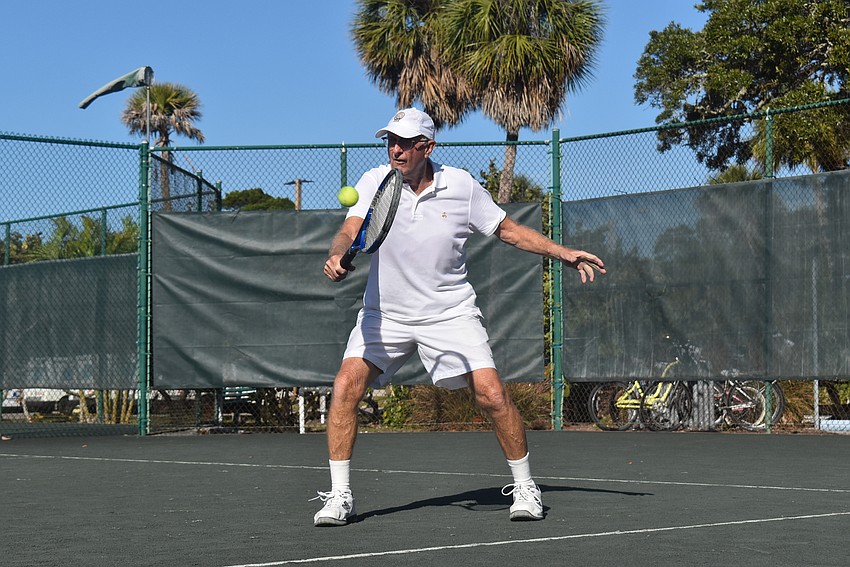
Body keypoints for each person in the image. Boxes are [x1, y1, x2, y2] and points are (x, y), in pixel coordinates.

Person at [315, 108, 605, 527]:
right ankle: (340, 497)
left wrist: (563, 253)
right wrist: (336, 252)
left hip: (449, 313)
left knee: (491, 394)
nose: (394, 149)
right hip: (385, 315)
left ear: (427, 147)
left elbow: (507, 229)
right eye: (389, 141)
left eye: (404, 142)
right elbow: (351, 227)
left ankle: (525, 487)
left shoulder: (462, 186)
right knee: (345, 386)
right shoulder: (374, 180)